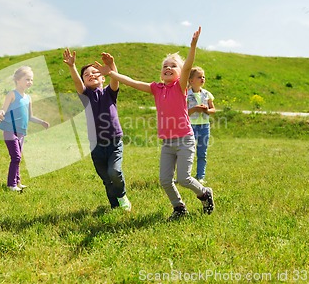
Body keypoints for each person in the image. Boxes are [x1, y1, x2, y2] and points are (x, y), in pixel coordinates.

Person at [94, 27, 214, 219]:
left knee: (184, 178)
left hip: (184, 140)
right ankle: (179, 208)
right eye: (165, 65)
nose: (168, 67)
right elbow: (131, 81)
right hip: (167, 142)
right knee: (165, 180)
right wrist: (111, 73)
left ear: (180, 72)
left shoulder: (180, 86)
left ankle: (205, 193)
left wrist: (192, 46)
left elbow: (187, 65)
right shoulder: (156, 88)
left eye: (173, 66)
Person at [62, 48, 131, 211]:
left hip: (114, 142)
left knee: (114, 172)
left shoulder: (109, 92)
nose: (91, 75)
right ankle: (115, 207)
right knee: (106, 178)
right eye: (86, 75)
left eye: (95, 72)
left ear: (103, 77)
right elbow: (77, 84)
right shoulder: (85, 96)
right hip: (96, 145)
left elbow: (115, 80)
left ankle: (122, 196)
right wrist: (72, 67)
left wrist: (112, 66)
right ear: (84, 81)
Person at [0, 66, 49, 192]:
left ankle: (18, 181)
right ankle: (11, 184)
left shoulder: (28, 98)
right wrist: (1, 112)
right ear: (17, 80)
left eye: (31, 80)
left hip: (21, 132)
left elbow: (30, 116)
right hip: (10, 130)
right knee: (16, 157)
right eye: (27, 79)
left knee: (18, 157)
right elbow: (4, 108)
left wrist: (42, 122)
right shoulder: (12, 94)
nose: (30, 82)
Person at [187, 67, 215, 184]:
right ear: (191, 80)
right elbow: (185, 112)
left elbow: (213, 109)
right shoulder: (186, 95)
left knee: (202, 152)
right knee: (188, 152)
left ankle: (200, 176)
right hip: (190, 127)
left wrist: (207, 111)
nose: (202, 78)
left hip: (204, 126)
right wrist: (195, 109)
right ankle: (185, 176)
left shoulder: (207, 94)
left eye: (203, 76)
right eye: (199, 77)